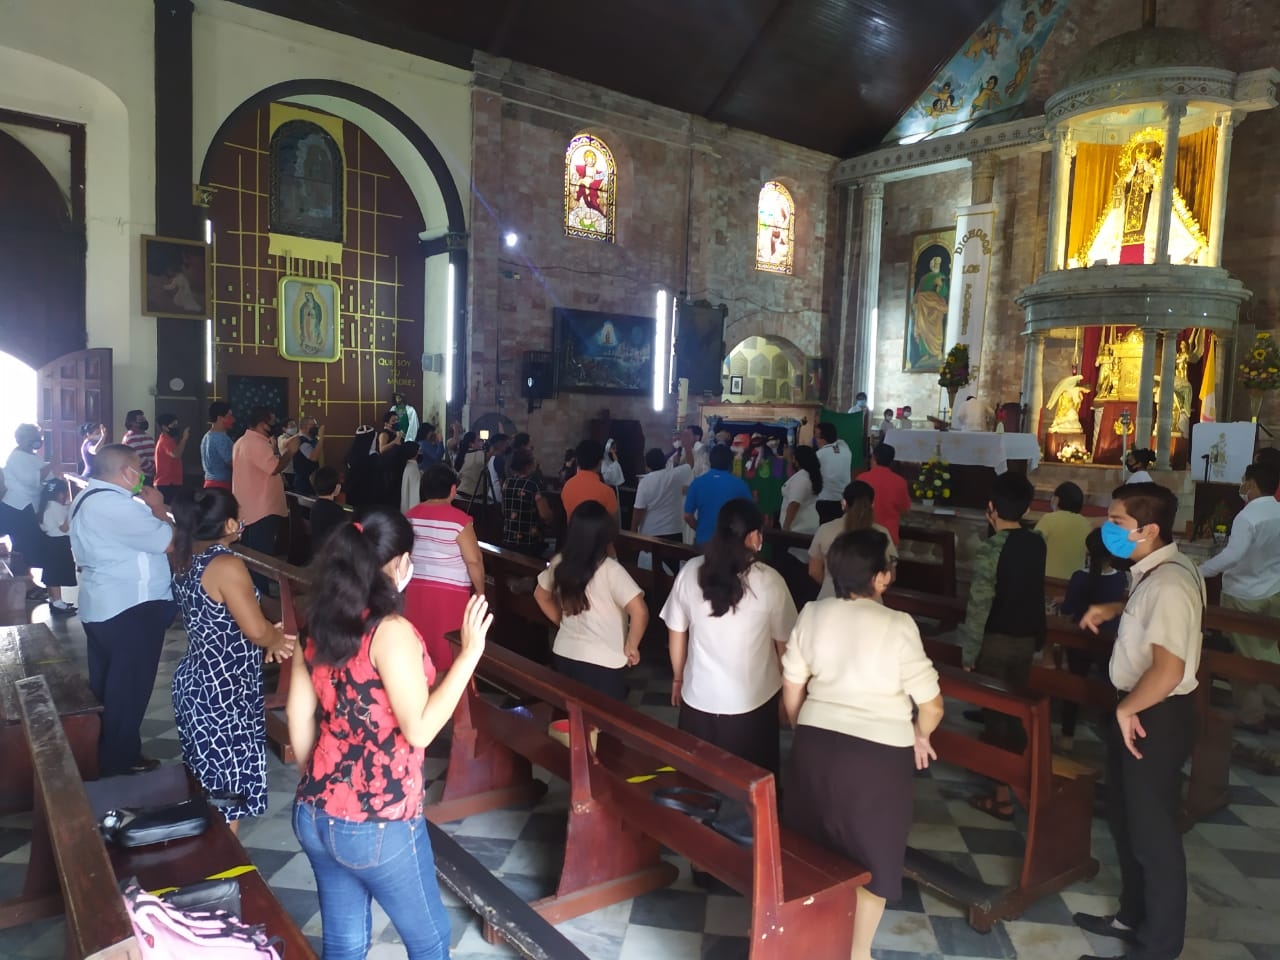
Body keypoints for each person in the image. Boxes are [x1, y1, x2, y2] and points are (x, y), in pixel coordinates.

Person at [286, 508, 493, 960]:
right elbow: (418, 729)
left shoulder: (320, 622)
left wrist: (321, 781)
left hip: (314, 812)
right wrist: (469, 654)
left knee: (345, 942)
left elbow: (298, 715)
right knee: (430, 938)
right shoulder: (390, 632)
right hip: (378, 818)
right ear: (399, 563)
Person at [782, 528, 944, 960]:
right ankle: (856, 953)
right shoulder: (897, 625)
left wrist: (805, 730)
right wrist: (921, 735)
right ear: (880, 578)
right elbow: (932, 705)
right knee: (873, 854)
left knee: (812, 843)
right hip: (876, 758)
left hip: (815, 744)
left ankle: (810, 935)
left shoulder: (813, 613)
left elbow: (792, 688)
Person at [1072, 483, 1204, 960]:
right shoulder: (1156, 568)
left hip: (1153, 714)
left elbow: (1168, 670)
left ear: (1148, 530)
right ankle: (1132, 915)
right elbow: (1148, 617)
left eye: (1117, 522)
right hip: (1141, 708)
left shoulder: (1169, 583)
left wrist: (1128, 710)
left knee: (1154, 838)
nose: (1108, 529)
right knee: (1128, 822)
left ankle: (1157, 949)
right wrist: (1114, 609)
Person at [170, 489, 295, 833]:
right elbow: (254, 629)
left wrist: (267, 637)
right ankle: (224, 874)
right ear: (228, 523)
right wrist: (275, 639)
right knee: (226, 795)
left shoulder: (186, 554)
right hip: (222, 695)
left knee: (208, 783)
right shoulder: (225, 563)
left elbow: (229, 624)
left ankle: (212, 862)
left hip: (201, 680)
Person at [660, 499, 798, 774]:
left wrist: (678, 678)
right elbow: (786, 648)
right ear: (753, 536)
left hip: (699, 699)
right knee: (754, 784)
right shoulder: (769, 580)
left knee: (698, 782)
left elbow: (677, 633)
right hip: (753, 707)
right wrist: (787, 695)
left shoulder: (690, 571)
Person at [70, 444, 176, 776]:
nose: (142, 474)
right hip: (129, 608)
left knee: (110, 686)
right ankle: (118, 761)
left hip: (110, 605)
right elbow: (167, 541)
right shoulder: (112, 505)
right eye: (138, 468)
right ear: (122, 471)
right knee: (128, 689)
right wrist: (158, 507)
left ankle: (108, 750)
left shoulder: (94, 499)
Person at [960, 471, 1045, 820]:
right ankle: (1020, 783)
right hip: (1026, 640)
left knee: (997, 718)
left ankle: (1002, 796)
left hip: (995, 641)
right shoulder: (1037, 542)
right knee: (1015, 712)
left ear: (991, 507)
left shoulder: (991, 548)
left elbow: (979, 605)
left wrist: (969, 653)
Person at [1197, 461, 1280, 732]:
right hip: (1272, 590)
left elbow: (1232, 556)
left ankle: (1252, 714)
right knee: (1266, 651)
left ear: (1252, 485)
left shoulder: (1248, 517)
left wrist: (1198, 571)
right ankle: (1273, 705)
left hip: (1244, 593)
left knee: (1239, 657)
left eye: (1244, 480)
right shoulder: (1277, 511)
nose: (1241, 485)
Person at [534, 501, 647, 699]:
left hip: (565, 653)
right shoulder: (611, 570)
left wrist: (562, 623)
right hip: (604, 663)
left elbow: (540, 595)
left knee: (571, 721)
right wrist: (632, 645)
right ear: (606, 535)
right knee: (602, 724)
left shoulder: (560, 561)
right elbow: (640, 611)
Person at [404, 464, 485, 674]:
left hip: (416, 588)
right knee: (448, 651)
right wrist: (481, 592)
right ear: (452, 489)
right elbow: (474, 561)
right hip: (450, 593)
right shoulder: (460, 520)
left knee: (419, 645)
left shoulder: (410, 516)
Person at [1056, 527, 1127, 749]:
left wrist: (1063, 602)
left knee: (1074, 685)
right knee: (1110, 686)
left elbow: (1069, 609)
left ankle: (1067, 736)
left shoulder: (1079, 577)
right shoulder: (1120, 578)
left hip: (1080, 638)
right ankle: (1113, 735)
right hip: (1109, 640)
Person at [232, 406, 302, 591]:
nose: (275, 425)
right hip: (261, 508)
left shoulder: (242, 441)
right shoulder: (255, 444)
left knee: (252, 554)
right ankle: (260, 596)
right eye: (272, 422)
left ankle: (252, 591)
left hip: (249, 507)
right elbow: (275, 468)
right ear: (263, 424)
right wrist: (291, 451)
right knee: (260, 556)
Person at [808, 480, 898, 600]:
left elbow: (814, 571)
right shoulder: (882, 533)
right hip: (869, 600)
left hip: (831, 597)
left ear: (844, 504)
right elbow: (891, 575)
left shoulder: (825, 529)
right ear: (872, 505)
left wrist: (830, 584)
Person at [1, 424, 52, 601]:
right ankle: (25, 587)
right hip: (18, 506)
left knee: (26, 546)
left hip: (28, 506)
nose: (36, 440)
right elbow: (31, 480)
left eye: (37, 436)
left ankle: (28, 584)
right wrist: (50, 465)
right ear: (21, 439)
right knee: (22, 547)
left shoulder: (31, 456)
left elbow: (47, 476)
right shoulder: (17, 457)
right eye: (31, 437)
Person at [683, 444, 751, 546]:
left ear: (710, 461)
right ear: (730, 462)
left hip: (703, 542)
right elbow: (750, 515)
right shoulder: (741, 485)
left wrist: (700, 528)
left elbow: (688, 516)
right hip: (730, 543)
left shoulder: (697, 483)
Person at [1034, 481, 1094, 580]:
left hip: (1047, 578)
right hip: (1074, 581)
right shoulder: (1085, 523)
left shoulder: (1049, 519)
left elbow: (1033, 544)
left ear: (1056, 500)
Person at [501, 447, 552, 557]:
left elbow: (504, 510)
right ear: (528, 464)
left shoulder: (507, 482)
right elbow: (545, 515)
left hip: (508, 537)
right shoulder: (534, 484)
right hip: (529, 540)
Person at [632, 447, 691, 542]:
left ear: (647, 465)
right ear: (665, 461)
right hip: (674, 530)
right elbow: (690, 465)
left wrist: (633, 530)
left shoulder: (645, 482)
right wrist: (688, 447)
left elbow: (638, 510)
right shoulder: (675, 475)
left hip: (651, 531)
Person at [37, 478, 76, 616]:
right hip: (58, 544)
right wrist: (71, 513)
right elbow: (64, 528)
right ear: (58, 493)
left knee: (51, 573)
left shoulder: (47, 505)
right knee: (56, 574)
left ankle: (54, 600)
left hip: (50, 543)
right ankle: (58, 602)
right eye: (64, 493)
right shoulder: (55, 507)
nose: (65, 496)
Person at [861, 443, 912, 545]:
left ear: (874, 458)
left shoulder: (862, 479)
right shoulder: (899, 482)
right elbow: (905, 510)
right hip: (889, 536)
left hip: (864, 534)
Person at [781, 444, 822, 563]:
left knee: (796, 563)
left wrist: (786, 527)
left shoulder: (802, 479)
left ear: (798, 461)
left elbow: (794, 504)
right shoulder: (807, 475)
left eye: (793, 458)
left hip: (797, 528)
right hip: (806, 524)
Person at [561, 439, 619, 520]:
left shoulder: (567, 486)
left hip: (572, 532)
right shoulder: (607, 492)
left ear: (577, 460)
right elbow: (613, 526)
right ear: (600, 462)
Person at [813, 422, 852, 524]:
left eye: (817, 437)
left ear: (823, 439)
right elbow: (839, 442)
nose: (815, 441)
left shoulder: (819, 455)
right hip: (843, 500)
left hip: (825, 499)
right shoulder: (845, 449)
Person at [153, 413, 190, 504]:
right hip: (167, 483)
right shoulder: (165, 440)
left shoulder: (169, 440)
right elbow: (175, 454)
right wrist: (184, 439)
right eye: (173, 425)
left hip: (171, 483)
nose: (176, 427)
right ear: (164, 427)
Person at [308, 466, 348, 549]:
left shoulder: (315, 506)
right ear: (336, 487)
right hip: (332, 553)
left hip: (317, 550)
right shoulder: (337, 510)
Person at [201, 402, 235, 490]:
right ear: (220, 418)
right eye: (229, 416)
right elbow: (232, 462)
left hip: (208, 482)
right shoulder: (220, 437)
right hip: (220, 486)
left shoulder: (207, 436)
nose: (233, 420)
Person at [122, 410, 156, 484]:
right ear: (132, 422)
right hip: (140, 477)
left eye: (144, 419)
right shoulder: (130, 437)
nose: (144, 421)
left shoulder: (147, 436)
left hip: (150, 476)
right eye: (141, 420)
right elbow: (139, 457)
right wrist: (153, 468)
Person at [292, 417, 323, 495]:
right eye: (313, 425)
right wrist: (321, 438)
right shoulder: (301, 441)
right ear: (305, 426)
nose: (316, 428)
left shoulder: (313, 440)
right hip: (304, 483)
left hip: (313, 481)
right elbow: (313, 457)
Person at [453, 431, 486, 501]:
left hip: (459, 494)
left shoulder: (461, 455)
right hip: (473, 495)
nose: (481, 443)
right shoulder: (479, 454)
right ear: (471, 444)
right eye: (478, 440)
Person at [400, 441, 422, 513]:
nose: (420, 452)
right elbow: (414, 494)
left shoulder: (408, 466)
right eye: (418, 450)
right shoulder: (413, 468)